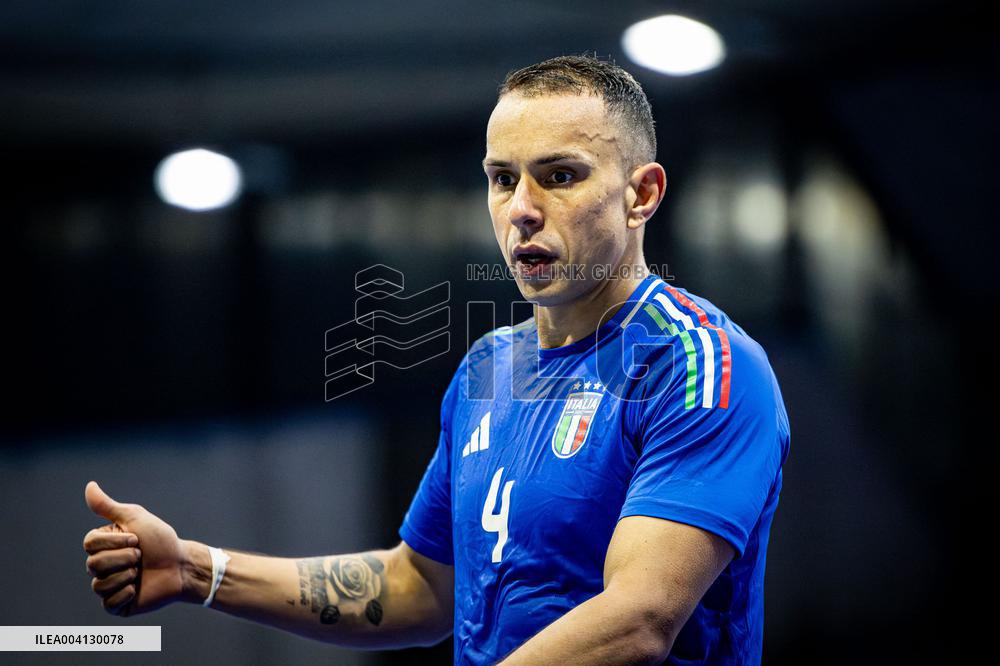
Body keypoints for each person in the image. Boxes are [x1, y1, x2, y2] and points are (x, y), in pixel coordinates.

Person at [83, 54, 790, 665]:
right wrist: (197, 570)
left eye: (559, 175)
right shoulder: (488, 369)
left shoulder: (700, 365)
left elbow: (639, 620)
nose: (522, 208)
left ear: (642, 194)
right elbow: (419, 586)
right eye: (503, 179)